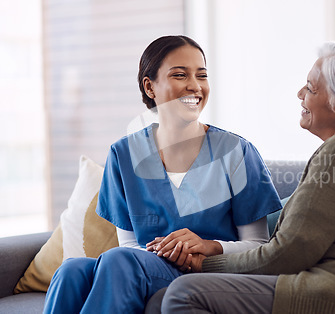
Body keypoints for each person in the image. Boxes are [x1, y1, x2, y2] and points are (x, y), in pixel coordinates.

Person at [159, 36, 335, 314]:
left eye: (311, 88)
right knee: (161, 299)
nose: (300, 94)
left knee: (185, 292)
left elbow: (287, 254)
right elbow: (286, 224)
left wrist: (204, 264)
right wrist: (212, 243)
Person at [42, 35, 282, 314]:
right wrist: (164, 251)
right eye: (180, 75)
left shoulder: (236, 152)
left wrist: (208, 246)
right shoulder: (123, 155)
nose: (194, 85)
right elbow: (130, 246)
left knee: (121, 261)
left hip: (208, 275)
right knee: (71, 270)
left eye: (201, 75)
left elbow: (258, 246)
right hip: (143, 267)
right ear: (150, 87)